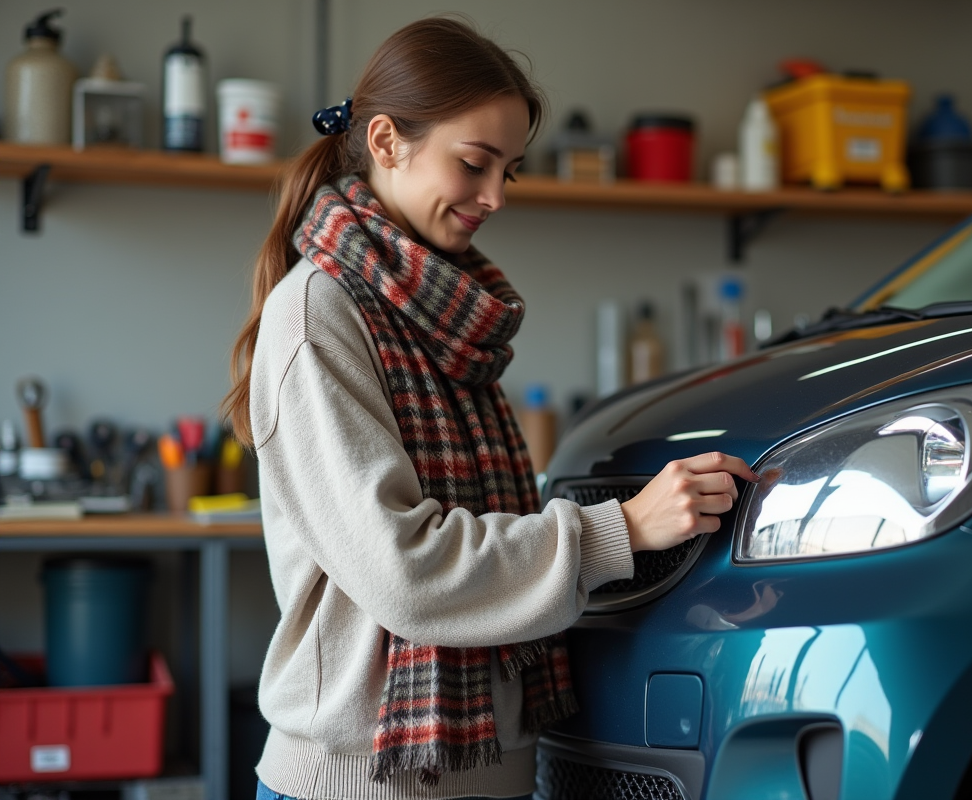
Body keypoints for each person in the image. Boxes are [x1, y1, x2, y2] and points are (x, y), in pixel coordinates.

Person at [222, 16, 757, 800]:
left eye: (510, 170)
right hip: (355, 785)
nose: (496, 197)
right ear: (385, 140)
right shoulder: (319, 314)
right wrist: (626, 529)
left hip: (491, 776)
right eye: (474, 164)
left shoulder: (446, 316)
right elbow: (406, 571)